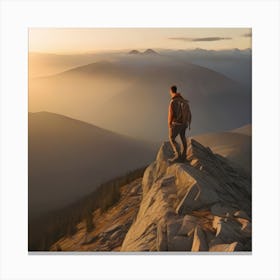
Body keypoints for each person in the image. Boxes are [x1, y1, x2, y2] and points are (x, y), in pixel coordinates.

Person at [168, 85, 192, 163]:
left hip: (177, 123)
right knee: (182, 137)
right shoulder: (182, 100)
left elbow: (171, 114)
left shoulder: (173, 101)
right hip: (185, 123)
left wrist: (169, 123)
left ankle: (177, 155)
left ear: (171, 91)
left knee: (172, 138)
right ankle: (183, 155)